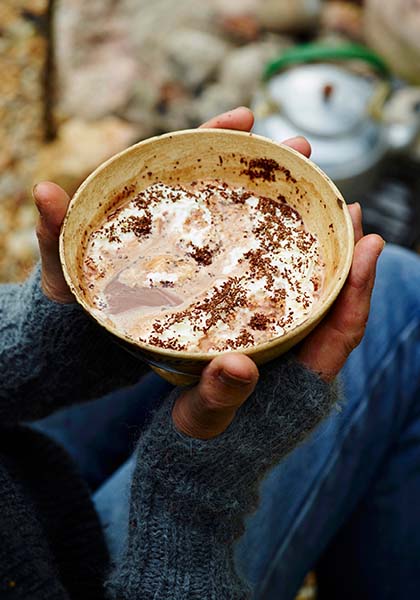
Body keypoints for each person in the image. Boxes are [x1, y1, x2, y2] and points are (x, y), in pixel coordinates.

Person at [0, 107, 385, 599]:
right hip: (97, 572)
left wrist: (43, 345)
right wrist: (190, 504)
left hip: (31, 474)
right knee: (399, 296)